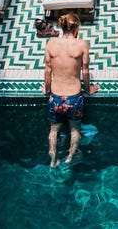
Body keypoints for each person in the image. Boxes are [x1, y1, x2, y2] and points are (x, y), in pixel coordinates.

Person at [44, 12, 99, 167]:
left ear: (62, 27)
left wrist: (47, 89)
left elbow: (47, 71)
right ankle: (69, 157)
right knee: (75, 130)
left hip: (55, 97)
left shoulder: (51, 43)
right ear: (76, 28)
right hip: (73, 98)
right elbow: (85, 71)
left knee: (53, 131)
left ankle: (53, 159)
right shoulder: (81, 45)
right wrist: (89, 89)